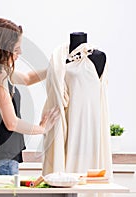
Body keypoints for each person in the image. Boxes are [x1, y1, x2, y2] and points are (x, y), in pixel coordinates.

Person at [0, 18, 60, 175]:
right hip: (1, 158)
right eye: (16, 48)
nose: (20, 53)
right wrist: (42, 129)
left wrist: (56, 67)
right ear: (3, 48)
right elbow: (11, 123)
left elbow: (27, 78)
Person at [42, 32, 112, 177]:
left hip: (91, 123)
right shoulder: (59, 59)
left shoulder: (98, 57)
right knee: (66, 168)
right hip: (66, 121)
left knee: (90, 172)